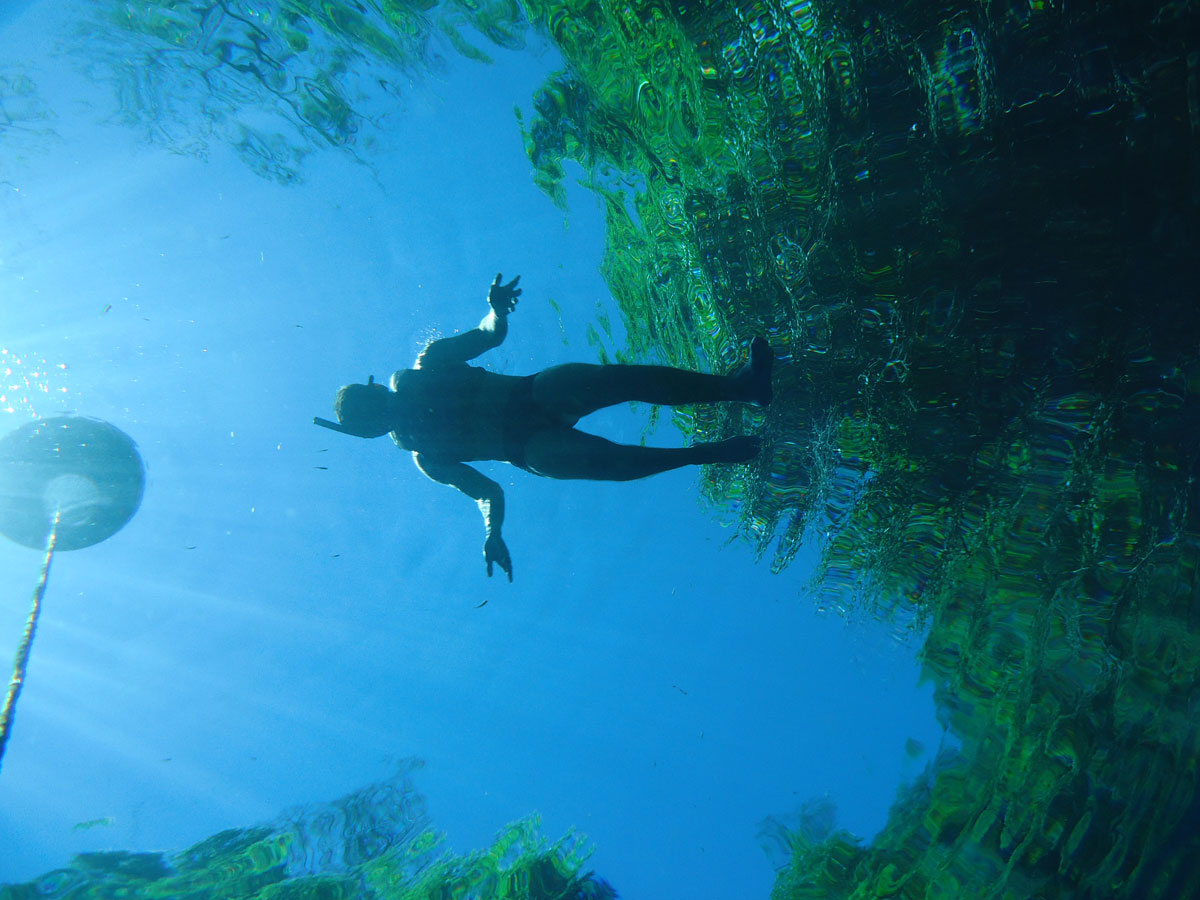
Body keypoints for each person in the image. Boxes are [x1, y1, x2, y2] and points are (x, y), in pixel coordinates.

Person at [315, 274, 772, 582]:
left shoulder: (429, 363)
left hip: (530, 394)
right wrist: (492, 532)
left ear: (376, 392)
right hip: (530, 446)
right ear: (373, 428)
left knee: (624, 380)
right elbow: (487, 492)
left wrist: (497, 308)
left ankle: (742, 388)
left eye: (371, 396)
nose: (380, 404)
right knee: (610, 457)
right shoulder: (427, 456)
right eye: (371, 408)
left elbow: (489, 335)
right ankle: (702, 451)